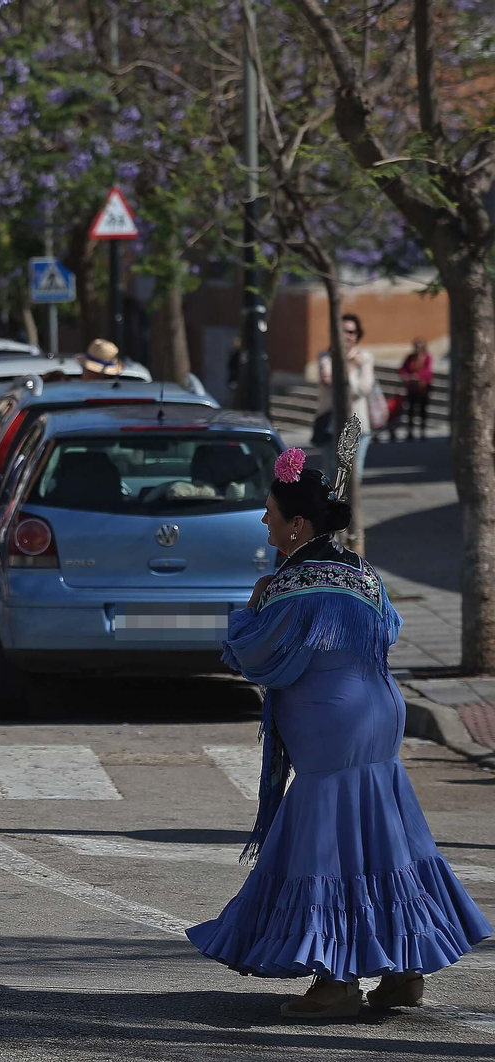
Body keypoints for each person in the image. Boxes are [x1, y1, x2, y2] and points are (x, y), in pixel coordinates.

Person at [189, 448, 490, 1018]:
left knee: (328, 848)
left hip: (331, 724)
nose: (263, 520)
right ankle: (404, 971)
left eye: (270, 511)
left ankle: (337, 980)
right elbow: (392, 629)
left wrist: (250, 609)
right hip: (379, 712)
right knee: (382, 838)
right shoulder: (362, 572)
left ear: (298, 524)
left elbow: (258, 658)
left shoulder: (290, 584)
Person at [316, 313, 375, 481]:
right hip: (330, 426)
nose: (347, 336)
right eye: (343, 331)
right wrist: (349, 366)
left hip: (357, 425)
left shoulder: (365, 358)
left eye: (352, 332)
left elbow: (364, 388)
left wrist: (340, 383)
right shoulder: (326, 357)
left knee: (353, 477)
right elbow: (330, 382)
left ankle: (349, 508)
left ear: (357, 335)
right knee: (331, 474)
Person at [398, 338, 433, 441]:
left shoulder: (427, 357)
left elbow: (428, 371)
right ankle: (410, 431)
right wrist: (407, 377)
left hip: (423, 389)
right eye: (416, 347)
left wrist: (418, 376)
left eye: (420, 347)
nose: (418, 349)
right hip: (412, 388)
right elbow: (402, 369)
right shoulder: (410, 358)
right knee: (411, 410)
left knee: (422, 410)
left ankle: (422, 431)